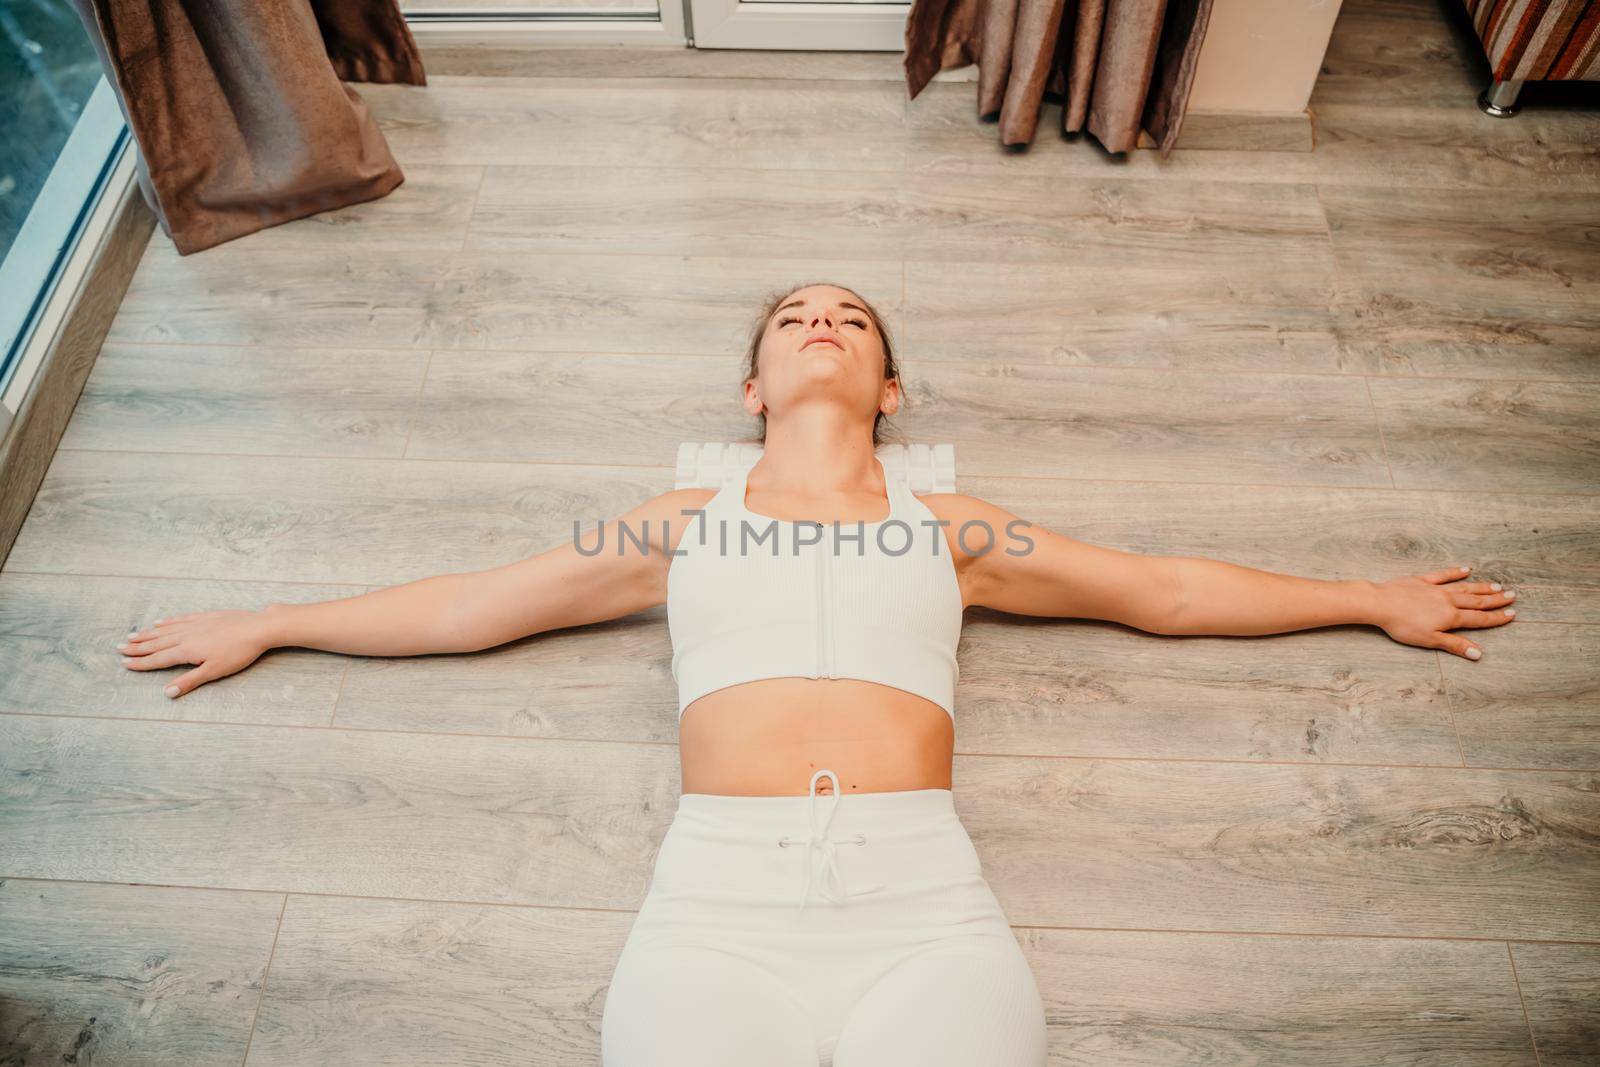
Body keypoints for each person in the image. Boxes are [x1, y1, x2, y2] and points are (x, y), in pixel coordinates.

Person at [114, 283, 1518, 1065]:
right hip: (713, 910)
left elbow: (1160, 589)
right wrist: (280, 616)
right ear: (752, 390)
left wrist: (1364, 599)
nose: (824, 324)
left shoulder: (955, 529)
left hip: (928, 916)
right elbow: (482, 604)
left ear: (893, 390)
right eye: (793, 317)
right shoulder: (674, 523)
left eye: (852, 316)